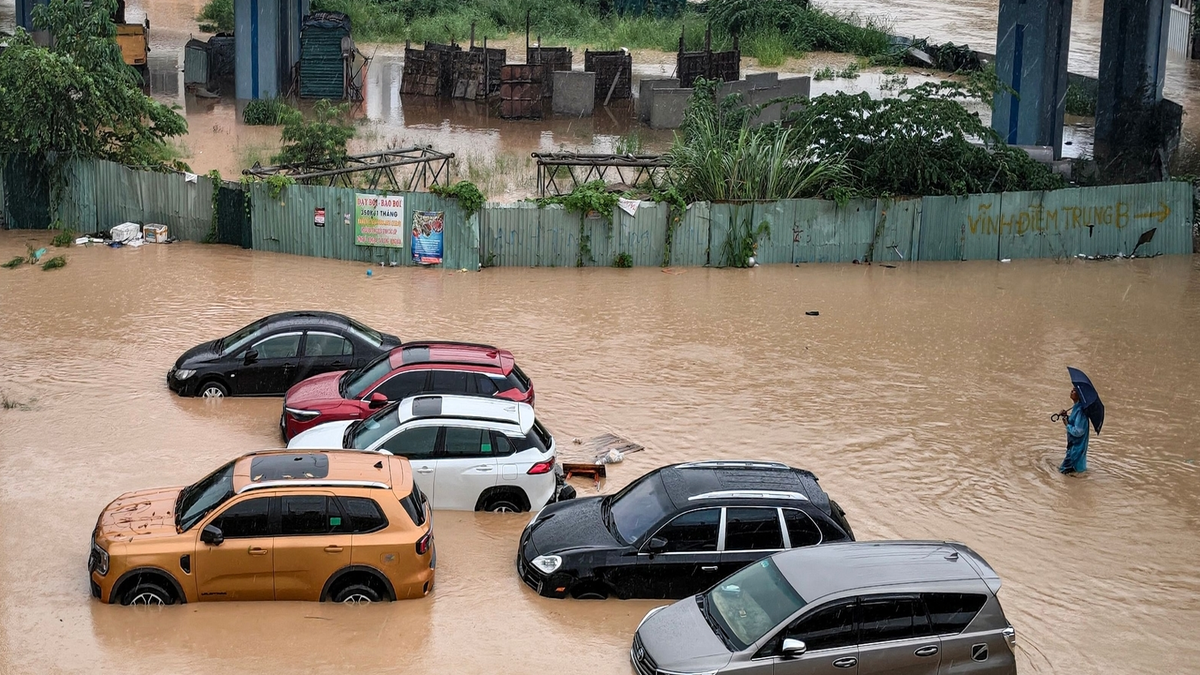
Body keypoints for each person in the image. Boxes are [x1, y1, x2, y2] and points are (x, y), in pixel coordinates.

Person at [1058, 387, 1090, 474]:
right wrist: (1065, 417)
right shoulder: (1076, 407)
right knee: (1072, 473)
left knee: (1062, 471)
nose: (1072, 391)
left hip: (1076, 449)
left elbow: (1078, 431)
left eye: (1075, 390)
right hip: (1073, 447)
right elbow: (1073, 423)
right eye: (1072, 390)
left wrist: (1066, 425)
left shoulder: (1081, 411)